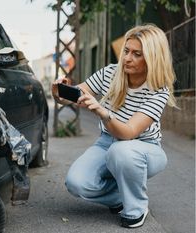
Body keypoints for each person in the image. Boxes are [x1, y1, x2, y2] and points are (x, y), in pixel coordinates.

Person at [51, 24, 176, 228]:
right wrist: (58, 92)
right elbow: (75, 95)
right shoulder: (110, 73)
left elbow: (128, 133)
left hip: (145, 148)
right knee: (77, 183)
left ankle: (136, 208)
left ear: (152, 58)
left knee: (122, 150)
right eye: (126, 51)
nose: (127, 58)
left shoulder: (158, 92)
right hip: (106, 142)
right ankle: (119, 197)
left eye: (137, 54)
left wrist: (102, 112)